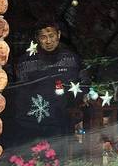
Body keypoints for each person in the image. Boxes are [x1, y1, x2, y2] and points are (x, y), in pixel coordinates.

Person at [5, 19, 83, 152]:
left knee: (60, 156)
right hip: (33, 123)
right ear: (37, 39)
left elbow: (81, 85)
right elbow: (21, 94)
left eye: (51, 36)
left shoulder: (71, 59)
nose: (48, 41)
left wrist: (76, 106)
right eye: (43, 37)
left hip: (61, 121)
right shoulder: (26, 62)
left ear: (58, 35)